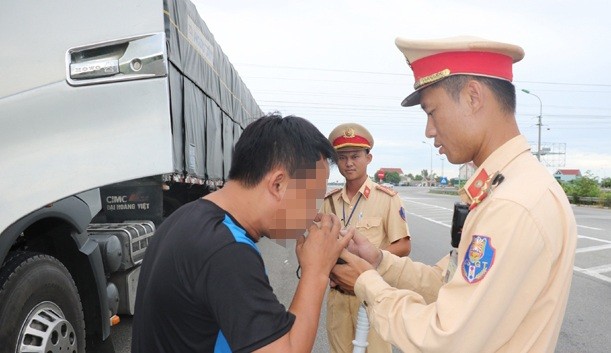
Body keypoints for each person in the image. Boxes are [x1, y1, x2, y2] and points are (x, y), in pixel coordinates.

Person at [330, 36, 577, 352]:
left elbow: (445, 338)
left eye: (431, 112)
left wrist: (367, 283)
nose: (429, 130)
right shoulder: (508, 187)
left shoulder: (511, 204)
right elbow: (448, 284)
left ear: (473, 97)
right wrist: (379, 261)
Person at [131, 114, 354, 353]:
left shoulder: (186, 218)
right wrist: (317, 270)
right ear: (278, 184)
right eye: (312, 198)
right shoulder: (227, 251)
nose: (314, 214)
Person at [321, 122, 411, 353]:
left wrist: (367, 263)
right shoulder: (329, 202)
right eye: (342, 157)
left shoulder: (386, 198)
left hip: (370, 298)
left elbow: (403, 245)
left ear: (368, 158)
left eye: (355, 156)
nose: (349, 163)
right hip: (339, 298)